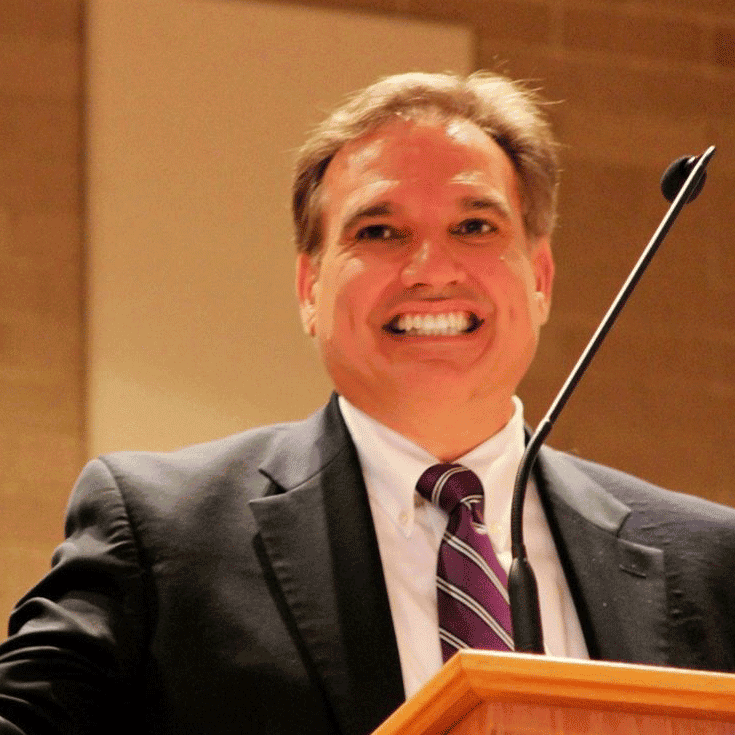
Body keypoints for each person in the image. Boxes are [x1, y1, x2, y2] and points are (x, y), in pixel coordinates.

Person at [1, 71, 734, 735]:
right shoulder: (161, 531)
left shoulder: (708, 562)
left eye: (474, 226)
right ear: (308, 288)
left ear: (539, 278)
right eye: (378, 231)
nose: (431, 269)